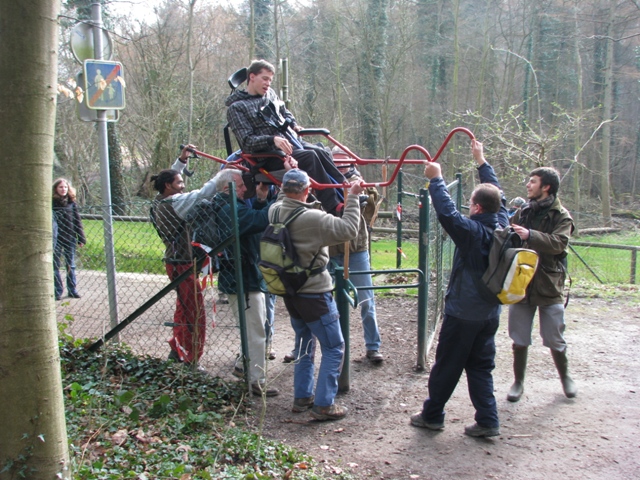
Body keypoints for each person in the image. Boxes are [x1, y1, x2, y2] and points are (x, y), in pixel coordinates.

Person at [410, 140, 509, 438]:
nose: (467, 206)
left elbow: (447, 215)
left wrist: (436, 179)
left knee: (448, 365)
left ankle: (432, 415)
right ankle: (488, 421)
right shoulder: (503, 222)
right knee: (480, 366)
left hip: (463, 312)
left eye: (470, 203)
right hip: (489, 312)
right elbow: (496, 192)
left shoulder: (472, 232)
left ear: (477, 207)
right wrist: (481, 160)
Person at [271, 168, 363, 421]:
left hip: (290, 290)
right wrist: (353, 197)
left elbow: (289, 196)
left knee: (304, 341)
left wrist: (291, 170)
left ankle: (302, 398)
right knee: (334, 346)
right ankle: (324, 404)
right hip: (314, 293)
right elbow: (348, 230)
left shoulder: (274, 209)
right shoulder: (312, 219)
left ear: (283, 189)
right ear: (307, 190)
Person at [225, 59, 347, 215]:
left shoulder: (270, 95)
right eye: (265, 79)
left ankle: (346, 189)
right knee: (310, 156)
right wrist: (272, 140)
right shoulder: (237, 108)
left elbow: (284, 111)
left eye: (270, 80)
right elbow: (247, 142)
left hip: (291, 143)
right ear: (252, 77)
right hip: (268, 156)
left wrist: (294, 124)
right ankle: (333, 206)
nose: (268, 83)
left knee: (321, 151)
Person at [506, 167, 576, 402]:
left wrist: (530, 236)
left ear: (546, 187)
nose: (528, 184)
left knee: (554, 335)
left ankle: (565, 377)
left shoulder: (562, 216)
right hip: (521, 283)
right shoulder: (522, 211)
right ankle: (518, 382)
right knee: (519, 336)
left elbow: (559, 244)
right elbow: (507, 235)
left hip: (548, 284)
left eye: (533, 181)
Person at [211, 168, 279, 396]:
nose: (244, 190)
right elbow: (257, 220)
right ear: (225, 188)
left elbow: (251, 223)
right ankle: (256, 381)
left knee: (251, 329)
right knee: (257, 331)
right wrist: (284, 199)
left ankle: (244, 368)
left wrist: (261, 199)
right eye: (240, 186)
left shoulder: (227, 206)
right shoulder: (227, 208)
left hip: (241, 277)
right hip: (243, 279)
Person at [150, 144, 217, 366]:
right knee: (195, 314)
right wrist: (224, 175)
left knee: (184, 309)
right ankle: (191, 358)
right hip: (182, 264)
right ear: (168, 186)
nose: (183, 185)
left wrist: (181, 160)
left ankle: (177, 347)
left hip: (177, 262)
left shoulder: (161, 200)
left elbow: (168, 177)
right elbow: (203, 193)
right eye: (179, 182)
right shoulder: (175, 202)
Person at [329, 148, 384, 363]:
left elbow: (370, 213)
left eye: (344, 160)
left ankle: (373, 346)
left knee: (366, 300)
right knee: (325, 301)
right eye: (336, 161)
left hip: (356, 249)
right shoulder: (324, 180)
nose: (341, 165)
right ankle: (327, 346)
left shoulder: (359, 182)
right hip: (330, 248)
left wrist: (365, 192)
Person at [53, 178, 86, 300]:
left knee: (70, 265)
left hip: (70, 237)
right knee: (55, 266)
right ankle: (57, 291)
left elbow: (77, 221)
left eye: (65, 187)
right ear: (56, 189)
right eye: (61, 187)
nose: (63, 189)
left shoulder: (72, 203)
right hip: (56, 239)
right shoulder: (52, 203)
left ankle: (72, 290)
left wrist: (81, 238)